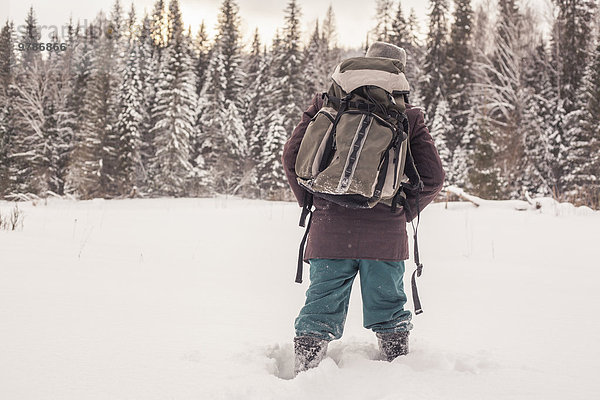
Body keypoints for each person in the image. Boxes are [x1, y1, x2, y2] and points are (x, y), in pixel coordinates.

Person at [282, 41, 445, 374]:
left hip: (329, 232)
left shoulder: (327, 104)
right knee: (390, 312)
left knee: (318, 312)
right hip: (384, 237)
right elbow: (433, 178)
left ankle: (304, 378)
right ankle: (397, 379)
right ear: (398, 72)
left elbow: (291, 159)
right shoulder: (407, 115)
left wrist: (316, 204)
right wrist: (399, 214)